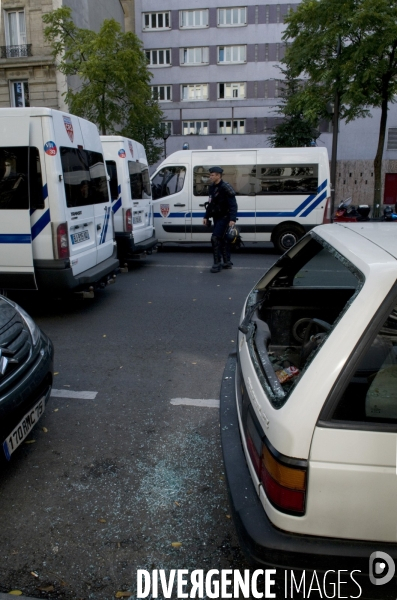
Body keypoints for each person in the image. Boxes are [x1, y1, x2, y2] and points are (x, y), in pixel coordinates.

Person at [203, 166, 238, 273]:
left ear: (218, 176)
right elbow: (210, 203)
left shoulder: (225, 187)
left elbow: (233, 205)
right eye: (210, 175)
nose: (210, 177)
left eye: (212, 175)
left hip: (225, 217)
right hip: (216, 217)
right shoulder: (212, 187)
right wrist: (206, 216)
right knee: (222, 239)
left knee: (215, 238)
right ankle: (227, 262)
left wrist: (232, 218)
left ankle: (217, 264)